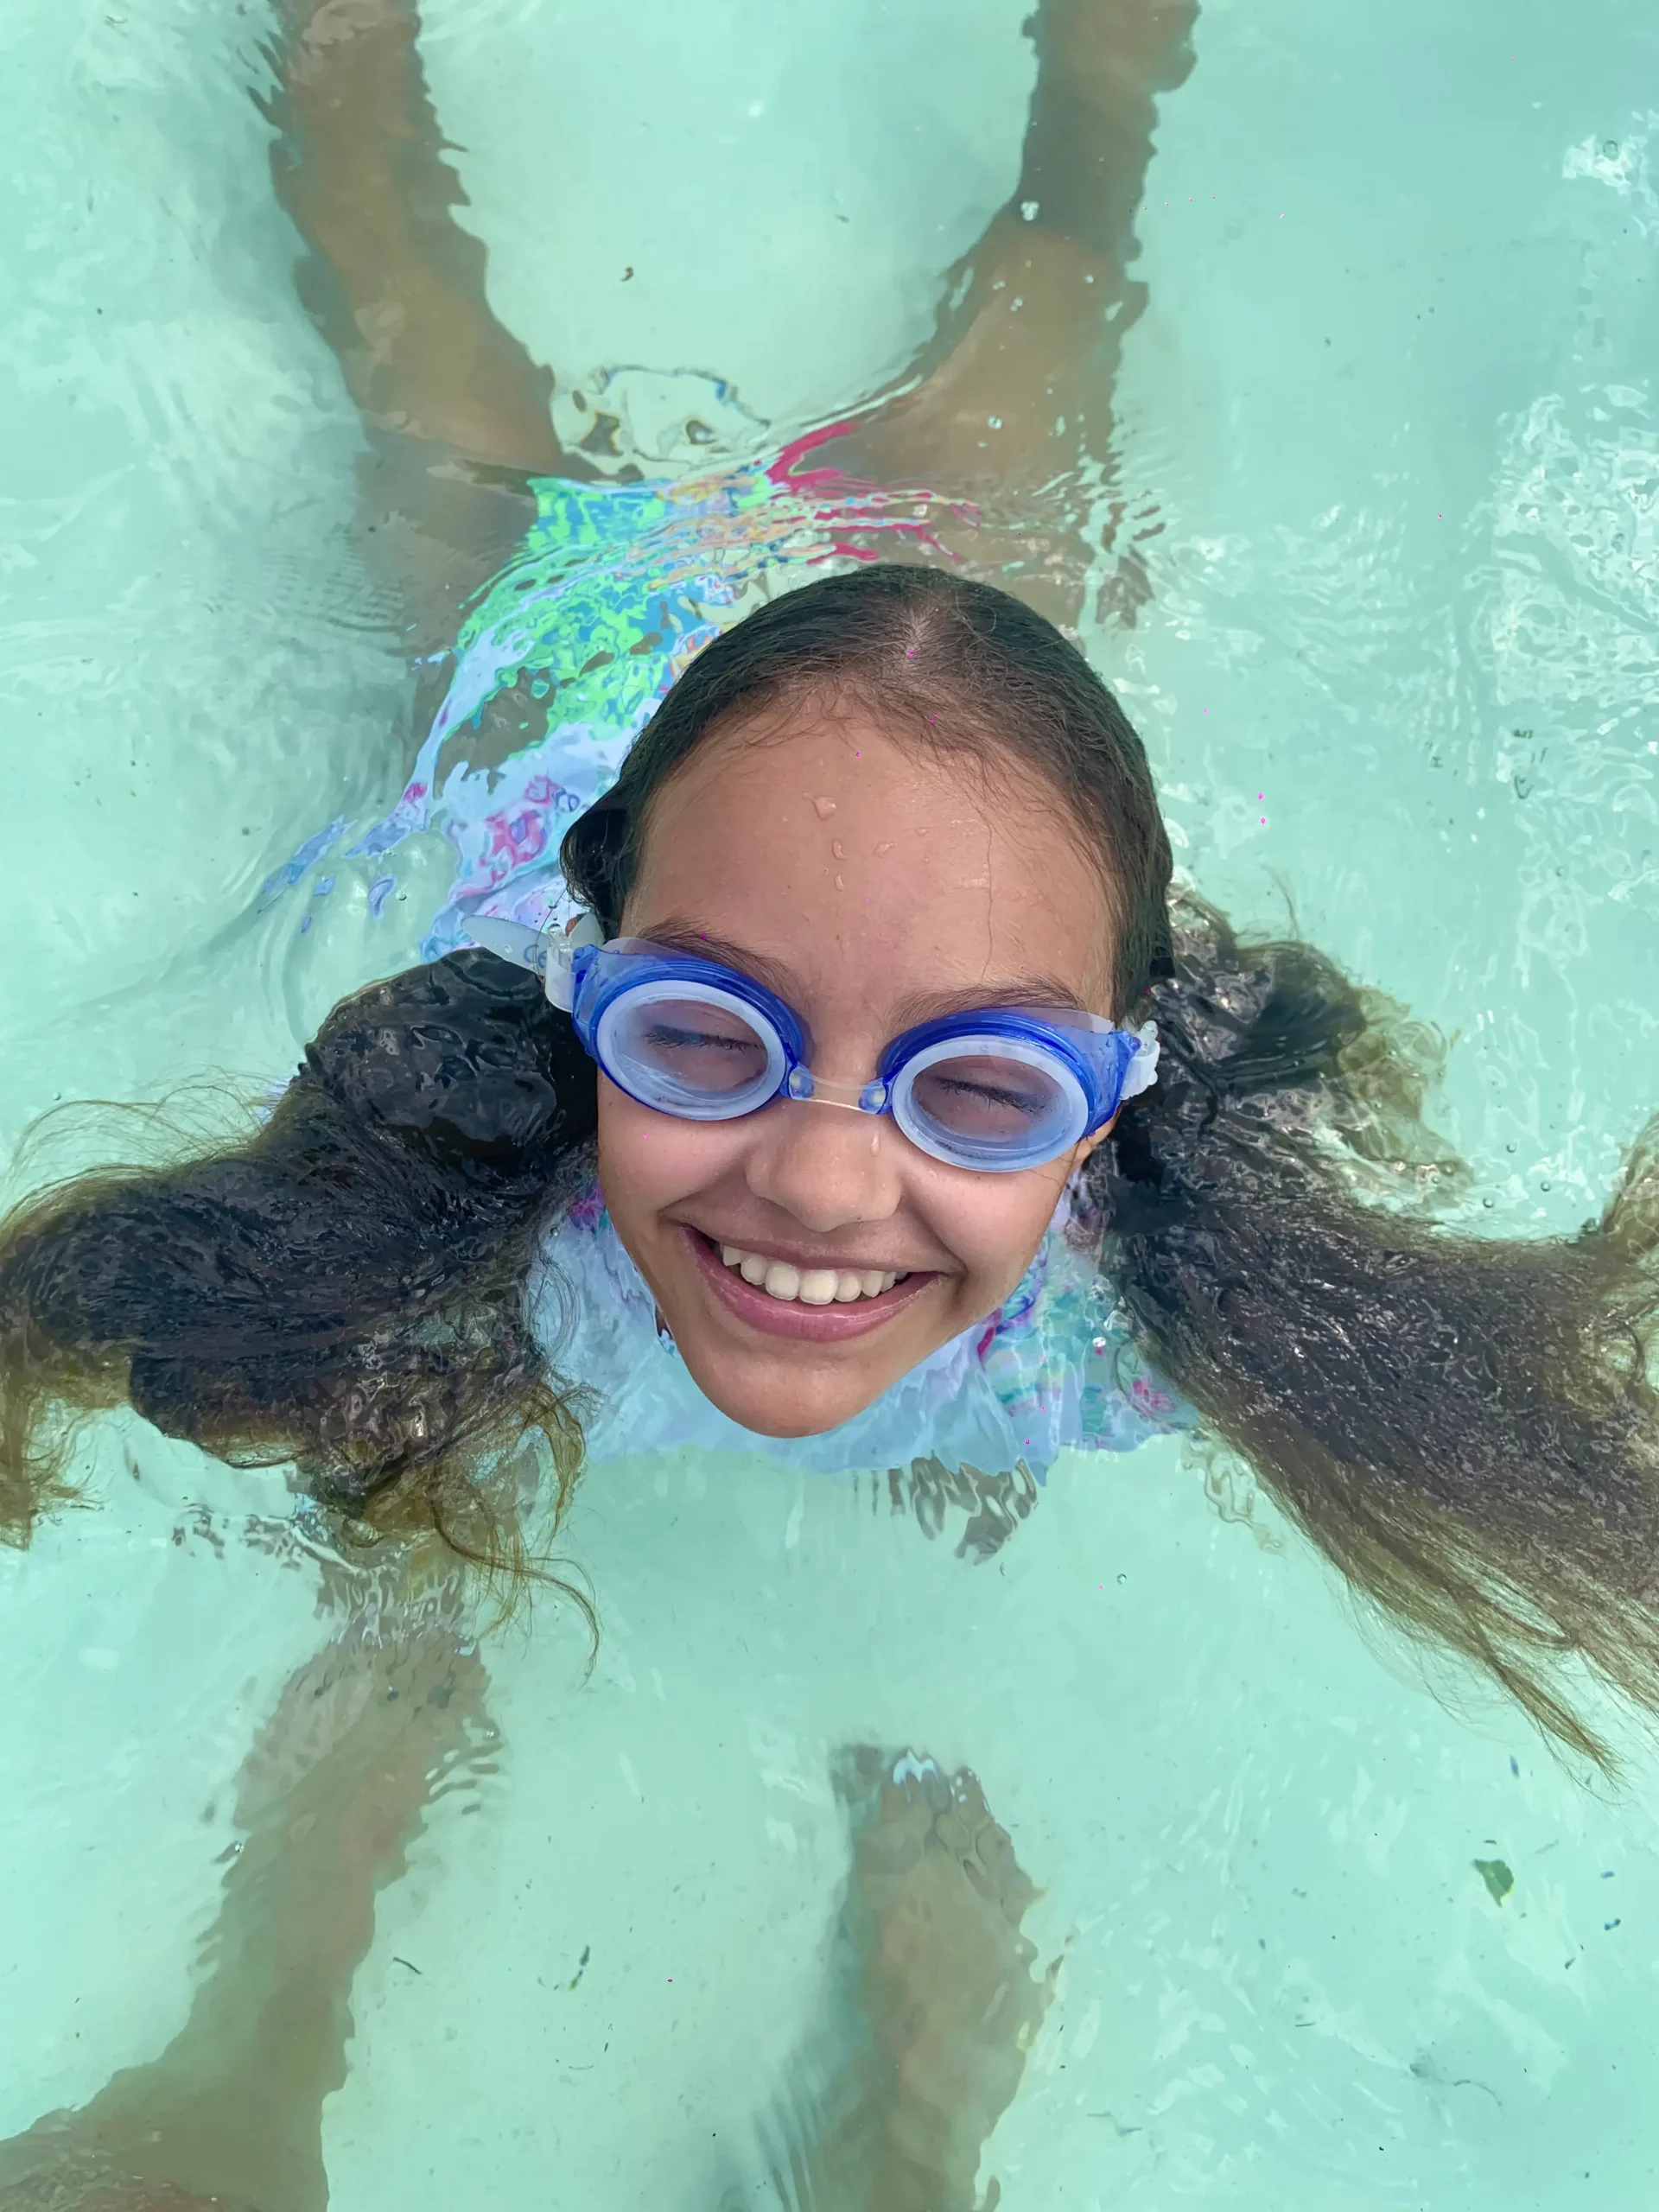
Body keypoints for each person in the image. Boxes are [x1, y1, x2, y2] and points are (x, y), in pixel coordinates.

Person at [0, 3, 1211, 2208]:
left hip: (893, 781)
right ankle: (347, 51)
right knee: (402, 317)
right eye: (701, 1037)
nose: (824, 1177)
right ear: (589, 982)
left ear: (1111, 1102)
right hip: (579, 649)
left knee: (1061, 291)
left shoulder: (1146, 1276)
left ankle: (1100, 87)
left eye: (988, 1084)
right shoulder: (469, 1138)